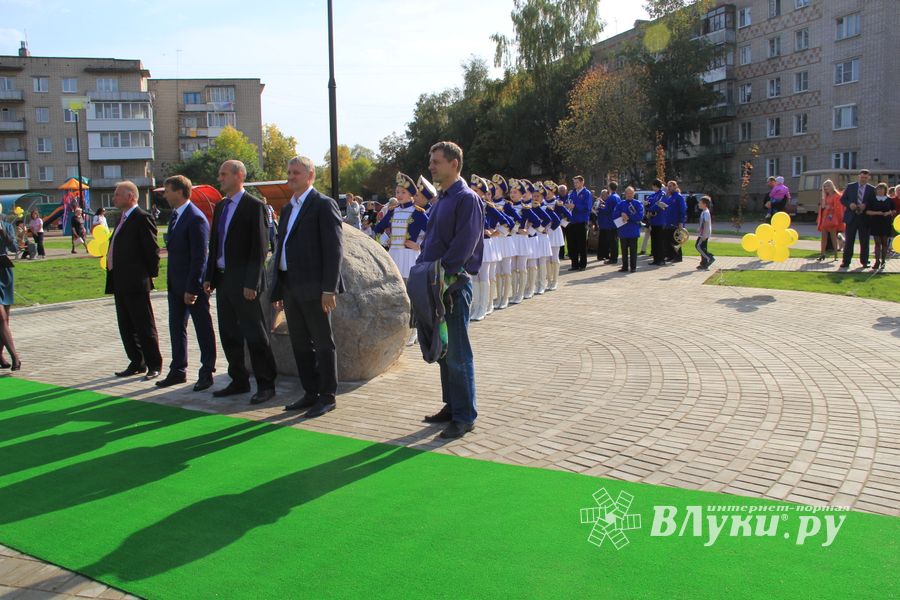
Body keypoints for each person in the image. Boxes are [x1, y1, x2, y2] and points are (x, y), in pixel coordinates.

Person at [418, 141, 483, 440]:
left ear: (454, 164)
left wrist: (442, 273)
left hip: (452, 285)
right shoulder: (442, 198)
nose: (431, 166)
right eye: (431, 161)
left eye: (437, 162)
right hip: (435, 284)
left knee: (457, 352)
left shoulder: (466, 199)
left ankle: (465, 415)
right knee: (444, 351)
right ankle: (452, 405)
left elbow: (464, 245)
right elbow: (431, 240)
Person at [272, 156, 345, 418]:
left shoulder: (323, 205)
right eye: (289, 172)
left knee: (323, 342)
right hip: (291, 286)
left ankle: (327, 396)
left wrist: (329, 289)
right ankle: (310, 392)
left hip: (316, 289)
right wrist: (278, 289)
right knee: (300, 343)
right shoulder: (288, 208)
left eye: (297, 172)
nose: (291, 176)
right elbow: (282, 248)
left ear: (310, 175)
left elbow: (334, 249)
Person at [204, 160, 278, 404]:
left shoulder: (253, 205)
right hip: (224, 280)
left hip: (244, 282)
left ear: (239, 176)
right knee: (229, 332)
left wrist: (252, 283)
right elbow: (215, 244)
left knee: (254, 333)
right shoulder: (222, 206)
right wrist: (209, 276)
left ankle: (266, 384)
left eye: (224, 174)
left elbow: (259, 248)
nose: (220, 178)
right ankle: (239, 380)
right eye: (220, 174)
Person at [156, 175, 217, 391]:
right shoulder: (176, 216)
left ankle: (207, 371)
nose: (164, 195)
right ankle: (178, 370)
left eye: (167, 190)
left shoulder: (195, 218)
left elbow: (200, 257)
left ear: (180, 192)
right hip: (175, 285)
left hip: (192, 287)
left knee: (202, 327)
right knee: (176, 327)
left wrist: (192, 288)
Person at [105, 181, 162, 380]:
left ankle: (154, 363)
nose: (114, 198)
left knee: (144, 325)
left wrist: (148, 276)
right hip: (120, 281)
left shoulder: (141, 218)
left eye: (117, 194)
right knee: (126, 325)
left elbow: (152, 250)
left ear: (131, 196)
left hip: (136, 282)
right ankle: (137, 362)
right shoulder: (122, 219)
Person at [839, 169, 876, 269]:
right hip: (851, 217)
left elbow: (874, 203)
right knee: (849, 240)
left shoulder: (872, 189)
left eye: (865, 177)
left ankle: (864, 261)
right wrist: (849, 204)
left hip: (864, 218)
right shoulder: (851, 186)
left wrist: (866, 205)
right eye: (862, 177)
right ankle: (846, 262)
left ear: (868, 178)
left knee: (864, 241)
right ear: (858, 177)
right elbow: (842, 199)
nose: (863, 179)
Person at [0, 215, 20, 371]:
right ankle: (15, 357)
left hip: (4, 273)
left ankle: (0, 356)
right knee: (1, 317)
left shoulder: (7, 226)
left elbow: (14, 248)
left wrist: (3, 234)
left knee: (5, 319)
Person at [613, 186, 644, 273]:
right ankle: (625, 266)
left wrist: (628, 217)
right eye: (628, 193)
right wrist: (621, 215)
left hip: (633, 231)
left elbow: (640, 217)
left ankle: (633, 267)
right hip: (623, 231)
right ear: (625, 194)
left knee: (633, 251)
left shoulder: (638, 203)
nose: (629, 195)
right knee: (624, 251)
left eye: (631, 193)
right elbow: (614, 215)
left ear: (634, 194)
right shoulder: (620, 204)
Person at [566, 175, 592, 271]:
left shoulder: (586, 193)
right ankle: (574, 264)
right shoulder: (572, 193)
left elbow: (588, 208)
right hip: (572, 221)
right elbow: (568, 202)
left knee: (582, 244)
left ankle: (582, 264)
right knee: (573, 244)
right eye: (574, 182)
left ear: (582, 182)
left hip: (582, 221)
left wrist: (575, 206)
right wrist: (567, 206)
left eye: (577, 182)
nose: (575, 184)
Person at [866, 183, 894, 271]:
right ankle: (877, 261)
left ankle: (883, 261)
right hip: (875, 222)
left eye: (882, 189)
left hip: (886, 223)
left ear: (885, 190)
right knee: (877, 243)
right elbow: (867, 212)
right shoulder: (872, 200)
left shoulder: (889, 200)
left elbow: (894, 210)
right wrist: (877, 213)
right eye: (878, 189)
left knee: (884, 242)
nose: (880, 191)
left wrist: (888, 213)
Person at [816, 179, 845, 262]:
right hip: (825, 217)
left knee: (833, 237)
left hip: (832, 218)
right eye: (824, 186)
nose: (825, 188)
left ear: (832, 186)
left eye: (827, 186)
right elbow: (823, 206)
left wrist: (830, 208)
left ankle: (836, 255)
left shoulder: (837, 196)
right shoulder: (826, 196)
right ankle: (822, 254)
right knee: (823, 237)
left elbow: (839, 208)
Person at [646, 179, 669, 266]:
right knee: (654, 241)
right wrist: (647, 205)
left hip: (660, 221)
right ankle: (655, 259)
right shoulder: (653, 195)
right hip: (653, 221)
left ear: (656, 185)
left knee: (660, 241)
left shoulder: (662, 194)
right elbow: (648, 202)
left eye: (653, 185)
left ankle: (661, 259)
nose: (652, 187)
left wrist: (650, 208)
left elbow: (658, 204)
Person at [664, 180, 686, 263]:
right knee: (668, 240)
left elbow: (682, 210)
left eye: (670, 186)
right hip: (668, 223)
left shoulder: (678, 197)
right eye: (668, 186)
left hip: (676, 223)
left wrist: (681, 222)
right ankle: (670, 256)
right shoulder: (669, 197)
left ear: (675, 187)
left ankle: (678, 257)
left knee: (676, 240)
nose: (668, 188)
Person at [596, 187, 618, 264]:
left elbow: (608, 209)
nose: (604, 196)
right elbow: (596, 209)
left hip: (609, 223)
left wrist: (603, 207)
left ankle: (607, 255)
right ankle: (600, 255)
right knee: (602, 239)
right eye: (602, 194)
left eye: (605, 194)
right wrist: (599, 207)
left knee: (609, 240)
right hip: (602, 223)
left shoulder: (609, 200)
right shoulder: (599, 201)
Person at [695, 196, 716, 270]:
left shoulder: (706, 212)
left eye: (700, 203)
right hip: (703, 233)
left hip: (704, 234)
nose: (698, 204)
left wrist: (704, 234)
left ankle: (710, 258)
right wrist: (699, 228)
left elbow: (706, 223)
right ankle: (704, 264)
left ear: (704, 204)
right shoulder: (704, 212)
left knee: (698, 246)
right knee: (703, 248)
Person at [557, 183, 569, 261]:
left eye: (563, 190)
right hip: (560, 221)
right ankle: (561, 255)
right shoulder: (557, 199)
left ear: (566, 191)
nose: (562, 192)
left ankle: (570, 254)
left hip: (568, 221)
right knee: (561, 238)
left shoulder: (569, 198)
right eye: (560, 190)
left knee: (570, 238)